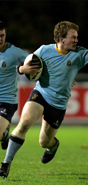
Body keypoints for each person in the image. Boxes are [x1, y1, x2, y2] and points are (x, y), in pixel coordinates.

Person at [0, 21, 88, 178]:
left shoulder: (80, 54)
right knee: (24, 123)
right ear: (61, 38)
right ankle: (5, 164)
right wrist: (21, 69)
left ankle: (53, 145)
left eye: (77, 37)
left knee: (44, 142)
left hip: (58, 103)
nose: (76, 40)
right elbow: (24, 63)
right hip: (40, 94)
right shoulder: (44, 50)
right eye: (73, 37)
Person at [0, 21, 39, 151]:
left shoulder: (14, 52)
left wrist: (25, 68)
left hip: (6, 101)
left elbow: (37, 61)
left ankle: (3, 133)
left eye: (2, 35)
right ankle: (4, 134)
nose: (0, 39)